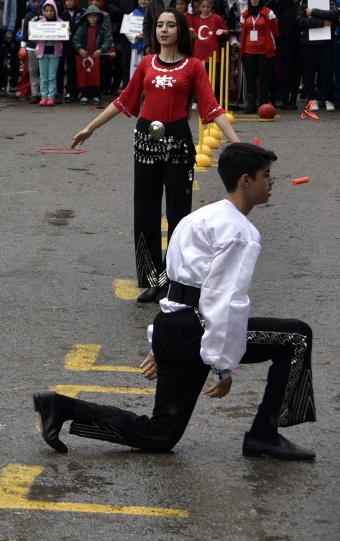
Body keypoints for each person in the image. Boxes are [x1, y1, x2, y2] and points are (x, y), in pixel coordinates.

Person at [34, 143, 316, 461]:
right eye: (267, 175)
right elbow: (224, 301)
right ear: (246, 180)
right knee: (296, 336)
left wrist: (159, 342)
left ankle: (60, 406)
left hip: (173, 328)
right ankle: (265, 435)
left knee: (160, 435)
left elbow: (175, 286)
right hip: (196, 330)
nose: (272, 181)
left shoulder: (196, 218)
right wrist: (222, 367)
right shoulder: (241, 232)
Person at [71, 8, 240, 303]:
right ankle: (152, 279)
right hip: (145, 144)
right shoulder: (147, 64)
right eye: (160, 25)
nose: (163, 30)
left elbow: (212, 108)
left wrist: (238, 145)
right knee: (146, 212)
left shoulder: (194, 66)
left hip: (177, 145)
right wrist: (90, 128)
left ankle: (176, 281)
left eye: (170, 25)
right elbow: (124, 100)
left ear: (181, 31)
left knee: (178, 216)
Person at [71, 4, 113, 106]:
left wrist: (101, 50)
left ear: (98, 17)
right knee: (84, 75)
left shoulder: (103, 29)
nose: (92, 18)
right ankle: (84, 94)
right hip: (84, 56)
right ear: (87, 17)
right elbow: (76, 39)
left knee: (97, 76)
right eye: (90, 16)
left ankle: (96, 95)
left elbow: (109, 39)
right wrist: (80, 49)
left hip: (97, 57)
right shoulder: (82, 28)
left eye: (95, 16)